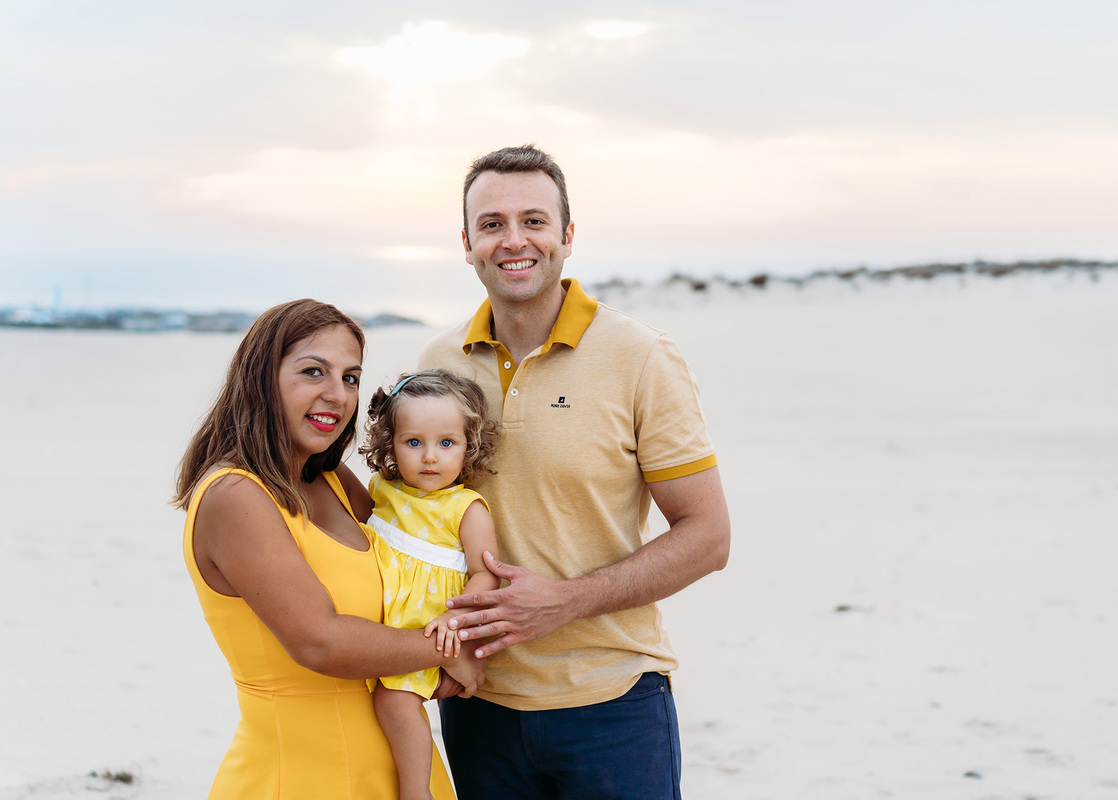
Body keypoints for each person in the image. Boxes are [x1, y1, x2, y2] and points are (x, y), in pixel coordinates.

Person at [418, 144, 732, 798]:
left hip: (612, 702)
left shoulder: (640, 356)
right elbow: (409, 515)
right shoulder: (439, 362)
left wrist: (565, 602)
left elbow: (708, 536)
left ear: (566, 236)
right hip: (478, 705)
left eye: (533, 220)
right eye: (492, 224)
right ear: (468, 244)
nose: (514, 240)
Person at [174, 299, 483, 799]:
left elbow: (416, 557)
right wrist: (449, 650)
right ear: (260, 377)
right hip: (300, 777)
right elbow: (321, 641)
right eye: (313, 371)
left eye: (351, 378)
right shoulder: (236, 496)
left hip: (402, 774)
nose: (337, 395)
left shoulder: (331, 477)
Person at [357, 369, 500, 800]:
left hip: (428, 627)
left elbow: (487, 571)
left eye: (446, 443)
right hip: (384, 626)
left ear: (468, 447)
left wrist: (455, 618)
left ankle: (416, 792)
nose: (430, 457)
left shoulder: (465, 507)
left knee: (394, 703)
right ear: (391, 445)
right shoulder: (382, 489)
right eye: (413, 442)